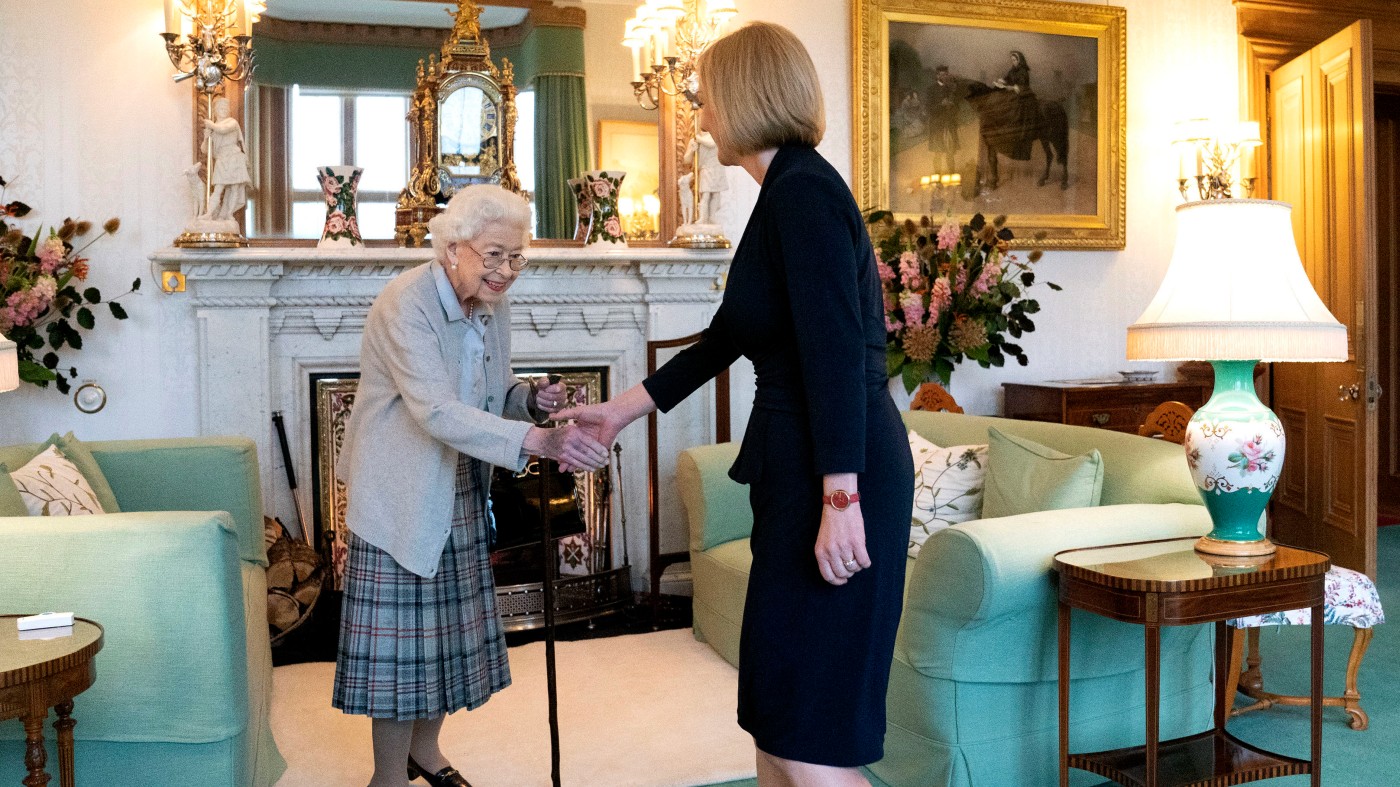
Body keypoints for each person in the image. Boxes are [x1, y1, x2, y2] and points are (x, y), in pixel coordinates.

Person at [555, 22, 913, 787]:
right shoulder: (784, 192)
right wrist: (622, 409)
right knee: (779, 721)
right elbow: (725, 339)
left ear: (747, 94)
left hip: (837, 475)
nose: (701, 112)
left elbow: (837, 358)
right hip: (804, 474)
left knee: (808, 734)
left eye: (707, 96)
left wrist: (841, 496)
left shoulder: (805, 194)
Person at [332, 184, 610, 787]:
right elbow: (433, 410)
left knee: (441, 641)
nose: (506, 271)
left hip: (459, 485)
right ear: (453, 247)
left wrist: (532, 402)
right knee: (403, 651)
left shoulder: (491, 306)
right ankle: (386, 776)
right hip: (399, 491)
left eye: (516, 257)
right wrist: (537, 442)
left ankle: (424, 754)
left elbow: (491, 396)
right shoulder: (406, 303)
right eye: (494, 255)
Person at [201, 97, 253, 221]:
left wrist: (211, 125)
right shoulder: (213, 128)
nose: (223, 110)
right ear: (216, 111)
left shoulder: (232, 122)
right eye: (220, 108)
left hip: (234, 157)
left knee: (235, 187)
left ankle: (229, 214)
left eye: (225, 108)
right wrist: (206, 138)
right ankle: (209, 214)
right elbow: (204, 150)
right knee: (218, 188)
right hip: (222, 158)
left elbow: (223, 130)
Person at [682, 129, 728, 225]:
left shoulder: (716, 137)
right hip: (706, 169)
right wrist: (691, 151)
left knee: (716, 195)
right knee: (705, 194)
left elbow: (711, 144)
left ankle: (712, 217)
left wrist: (699, 139)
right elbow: (686, 160)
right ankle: (703, 218)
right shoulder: (694, 141)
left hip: (717, 168)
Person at [925, 65, 961, 172]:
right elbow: (929, 109)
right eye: (942, 74)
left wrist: (952, 105)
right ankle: (937, 177)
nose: (944, 76)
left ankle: (952, 175)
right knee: (938, 153)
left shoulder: (951, 89)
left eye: (946, 74)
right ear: (937, 76)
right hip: (937, 126)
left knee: (950, 152)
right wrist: (941, 104)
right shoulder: (931, 90)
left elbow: (957, 108)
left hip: (949, 124)